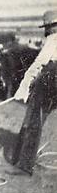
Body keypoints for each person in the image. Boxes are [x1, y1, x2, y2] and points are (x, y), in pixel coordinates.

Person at [10, 10, 57, 176]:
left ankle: (24, 164)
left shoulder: (53, 39)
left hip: (52, 78)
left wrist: (24, 85)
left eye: (48, 27)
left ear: (51, 27)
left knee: (34, 119)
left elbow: (40, 63)